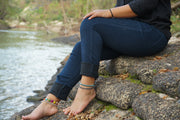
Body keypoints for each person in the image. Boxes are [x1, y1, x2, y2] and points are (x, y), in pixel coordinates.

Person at [22, 0, 171, 119]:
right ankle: (50, 101)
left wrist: (107, 13)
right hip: (131, 34)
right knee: (82, 47)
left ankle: (86, 88)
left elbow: (142, 5)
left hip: (152, 34)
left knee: (91, 23)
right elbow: (122, 11)